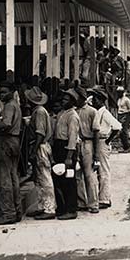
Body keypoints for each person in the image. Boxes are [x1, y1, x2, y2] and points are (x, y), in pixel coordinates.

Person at [0, 81, 24, 225]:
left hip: (6, 141)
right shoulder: (15, 105)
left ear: (12, 92)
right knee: (13, 178)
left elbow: (6, 124)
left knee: (4, 179)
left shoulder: (9, 106)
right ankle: (17, 211)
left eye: (4, 92)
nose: (1, 95)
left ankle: (8, 214)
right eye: (0, 92)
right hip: (14, 141)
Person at [25, 87, 56, 220]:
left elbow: (40, 133)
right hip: (41, 145)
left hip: (40, 146)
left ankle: (49, 208)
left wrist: (33, 150)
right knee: (38, 178)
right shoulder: (38, 111)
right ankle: (42, 205)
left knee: (44, 177)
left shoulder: (39, 112)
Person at [50, 89, 80, 220]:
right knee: (59, 179)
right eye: (63, 99)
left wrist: (69, 157)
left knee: (69, 180)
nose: (63, 101)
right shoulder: (63, 113)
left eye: (66, 100)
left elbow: (72, 137)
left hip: (67, 148)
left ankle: (71, 209)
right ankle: (62, 208)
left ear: (72, 102)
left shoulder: (72, 116)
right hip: (59, 147)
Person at [90, 87, 121, 209]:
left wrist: (108, 140)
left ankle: (105, 198)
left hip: (103, 141)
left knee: (104, 171)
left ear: (101, 100)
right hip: (98, 141)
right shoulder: (97, 112)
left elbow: (117, 127)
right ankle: (101, 196)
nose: (93, 101)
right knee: (98, 170)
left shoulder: (105, 113)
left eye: (96, 99)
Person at [75, 88, 100, 214]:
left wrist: (96, 154)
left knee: (89, 174)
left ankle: (93, 203)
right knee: (77, 174)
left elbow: (96, 132)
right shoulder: (74, 111)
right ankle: (81, 202)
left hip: (88, 143)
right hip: (76, 144)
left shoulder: (92, 111)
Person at [116, 86, 130, 152]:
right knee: (121, 132)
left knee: (124, 131)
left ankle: (127, 147)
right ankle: (124, 147)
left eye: (119, 92)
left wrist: (129, 119)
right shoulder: (119, 99)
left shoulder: (126, 99)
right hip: (120, 115)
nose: (118, 94)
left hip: (125, 115)